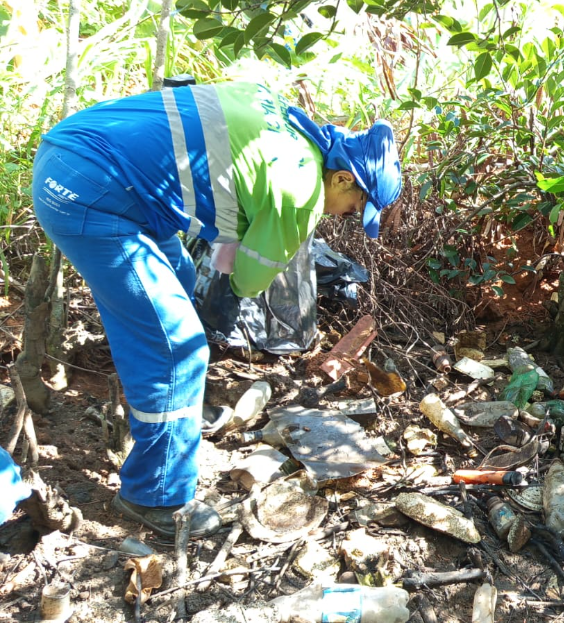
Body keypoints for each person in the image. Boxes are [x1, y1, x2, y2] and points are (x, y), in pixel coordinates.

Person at [31, 82, 402, 538]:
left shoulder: (287, 120)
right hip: (92, 194)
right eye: (351, 210)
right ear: (343, 178)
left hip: (87, 157)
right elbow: (247, 282)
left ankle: (176, 408)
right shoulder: (299, 194)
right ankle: (154, 495)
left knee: (180, 283)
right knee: (178, 348)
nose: (341, 216)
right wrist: (257, 246)